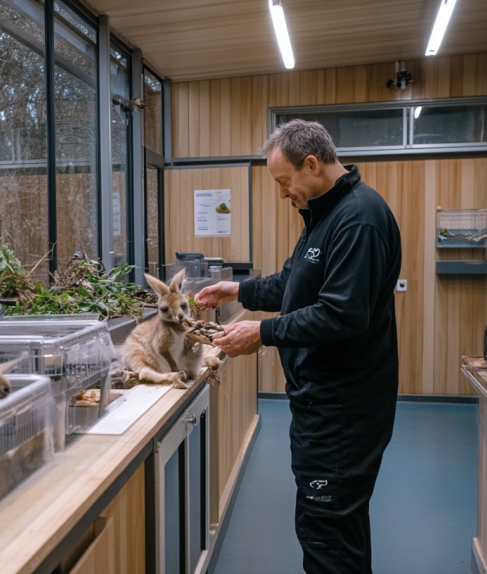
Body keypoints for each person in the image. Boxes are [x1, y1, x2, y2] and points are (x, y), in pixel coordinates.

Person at [196, 119, 402, 574]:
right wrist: (238, 291)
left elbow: (342, 314)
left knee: (327, 531)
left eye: (285, 181)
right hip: (319, 402)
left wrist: (261, 333)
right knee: (331, 526)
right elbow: (295, 282)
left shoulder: (359, 218)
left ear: (311, 164)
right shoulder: (324, 215)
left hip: (343, 409)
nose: (283, 193)